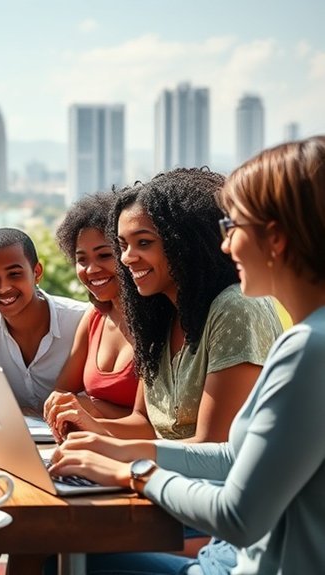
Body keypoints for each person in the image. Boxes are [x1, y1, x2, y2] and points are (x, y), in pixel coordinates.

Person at [51, 136, 325, 574]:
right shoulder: (308, 339)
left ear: (275, 238)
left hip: (235, 562)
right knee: (63, 554)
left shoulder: (308, 347)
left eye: (233, 228)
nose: (225, 246)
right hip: (221, 557)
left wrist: (134, 473)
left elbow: (238, 515)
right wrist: (114, 448)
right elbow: (234, 458)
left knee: (66, 556)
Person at [47, 168, 281, 444]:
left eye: (143, 243)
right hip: (159, 480)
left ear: (185, 242)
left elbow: (215, 446)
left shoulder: (235, 308)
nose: (127, 258)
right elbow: (144, 425)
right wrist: (91, 426)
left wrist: (118, 460)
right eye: (122, 245)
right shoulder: (159, 315)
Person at [0, 228, 88, 415]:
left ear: (36, 272)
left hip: (78, 437)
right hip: (11, 437)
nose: (3, 288)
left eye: (14, 274)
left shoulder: (82, 320)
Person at [42, 193, 140, 442]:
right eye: (81, 260)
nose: (91, 269)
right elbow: (63, 391)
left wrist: (93, 409)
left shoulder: (154, 323)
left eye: (104, 255)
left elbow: (152, 423)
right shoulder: (94, 317)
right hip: (91, 445)